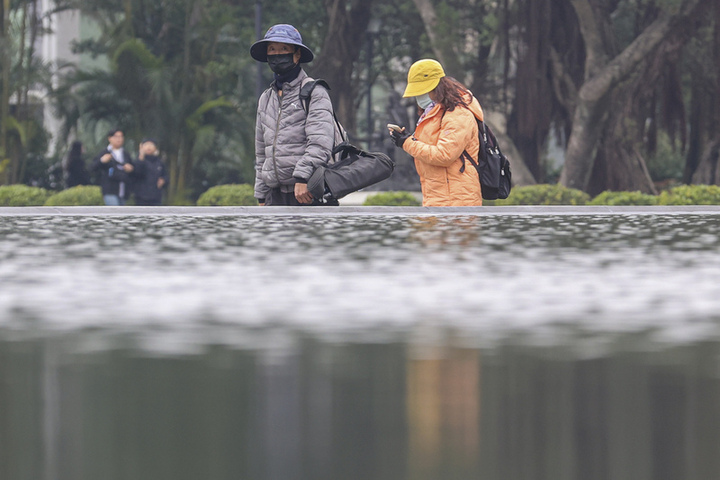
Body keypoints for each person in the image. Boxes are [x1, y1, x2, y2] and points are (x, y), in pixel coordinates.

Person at [250, 24, 335, 206]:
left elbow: (321, 142)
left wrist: (302, 177)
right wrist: (261, 195)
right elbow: (261, 152)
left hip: (307, 191)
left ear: (297, 55)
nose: (277, 54)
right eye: (272, 49)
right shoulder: (266, 98)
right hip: (275, 195)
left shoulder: (314, 92)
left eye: (284, 49)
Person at [388, 59, 483, 206]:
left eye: (422, 91)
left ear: (437, 88)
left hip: (456, 202)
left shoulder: (458, 114)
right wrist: (406, 139)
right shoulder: (436, 113)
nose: (418, 97)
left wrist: (407, 143)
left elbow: (444, 155)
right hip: (439, 198)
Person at [90, 129, 134, 205]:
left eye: (121, 137)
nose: (119, 139)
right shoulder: (105, 152)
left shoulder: (125, 154)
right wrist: (102, 161)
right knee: (115, 213)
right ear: (110, 138)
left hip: (123, 191)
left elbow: (133, 169)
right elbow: (92, 167)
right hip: (110, 190)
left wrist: (130, 169)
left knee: (122, 215)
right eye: (116, 137)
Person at [131, 138, 169, 206]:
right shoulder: (138, 161)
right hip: (141, 197)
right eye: (146, 145)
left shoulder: (159, 162)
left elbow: (165, 176)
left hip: (156, 197)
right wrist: (141, 158)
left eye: (151, 145)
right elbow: (137, 173)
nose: (149, 147)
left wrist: (163, 180)